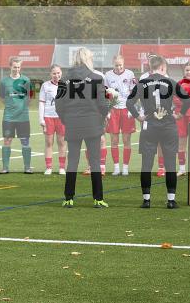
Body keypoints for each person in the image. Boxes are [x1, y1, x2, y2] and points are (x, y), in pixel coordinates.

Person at [127, 54, 190, 208]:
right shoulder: (170, 81)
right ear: (163, 67)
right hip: (168, 124)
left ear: (150, 67)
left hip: (149, 124)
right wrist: (180, 114)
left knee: (147, 163)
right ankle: (170, 200)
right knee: (170, 162)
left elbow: (129, 102)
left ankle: (146, 200)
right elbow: (187, 100)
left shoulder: (142, 83)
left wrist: (139, 117)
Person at [56, 48, 111, 207]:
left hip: (73, 124)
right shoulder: (96, 78)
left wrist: (66, 120)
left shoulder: (64, 79)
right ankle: (98, 199)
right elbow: (102, 105)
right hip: (92, 124)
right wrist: (107, 110)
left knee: (72, 161)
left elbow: (59, 105)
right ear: (88, 59)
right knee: (94, 162)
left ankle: (68, 198)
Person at [0, 57, 34, 174]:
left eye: (19, 67)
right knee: (7, 140)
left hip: (23, 117)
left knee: (25, 141)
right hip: (8, 117)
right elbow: (2, 98)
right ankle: (5, 167)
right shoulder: (4, 81)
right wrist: (12, 106)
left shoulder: (26, 80)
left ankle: (27, 167)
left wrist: (21, 107)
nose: (17, 69)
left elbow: (30, 97)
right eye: (15, 67)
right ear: (10, 66)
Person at [104, 55, 137, 176]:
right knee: (114, 139)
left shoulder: (130, 74)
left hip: (126, 109)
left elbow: (134, 92)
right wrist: (107, 110)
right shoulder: (107, 75)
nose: (118, 68)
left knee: (126, 139)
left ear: (124, 64)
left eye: (120, 65)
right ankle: (116, 167)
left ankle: (125, 167)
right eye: (116, 65)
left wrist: (131, 108)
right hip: (113, 109)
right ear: (113, 64)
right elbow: (106, 93)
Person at [39, 65, 67, 175]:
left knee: (62, 142)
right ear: (50, 74)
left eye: (58, 73)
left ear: (61, 73)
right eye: (54, 73)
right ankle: (49, 167)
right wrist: (41, 119)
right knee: (49, 142)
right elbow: (42, 103)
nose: (57, 75)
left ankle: (61, 167)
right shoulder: (45, 85)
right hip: (48, 117)